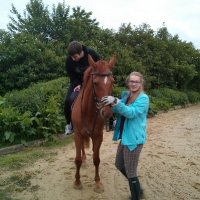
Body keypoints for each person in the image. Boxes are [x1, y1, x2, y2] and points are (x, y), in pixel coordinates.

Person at [101, 72, 149, 200]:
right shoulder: (127, 95)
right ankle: (138, 189)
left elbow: (131, 113)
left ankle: (136, 196)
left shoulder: (143, 98)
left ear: (141, 83)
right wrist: (110, 102)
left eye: (136, 82)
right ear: (128, 82)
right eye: (131, 81)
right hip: (126, 137)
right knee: (119, 164)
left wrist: (116, 101)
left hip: (134, 139)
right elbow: (118, 110)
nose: (133, 84)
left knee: (131, 172)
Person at [64, 41, 100, 135]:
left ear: (81, 52)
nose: (73, 59)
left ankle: (112, 121)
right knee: (68, 100)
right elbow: (71, 75)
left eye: (75, 57)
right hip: (77, 82)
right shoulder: (69, 60)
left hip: (93, 81)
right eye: (71, 57)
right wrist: (78, 84)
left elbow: (100, 66)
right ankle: (69, 124)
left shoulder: (91, 53)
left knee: (105, 93)